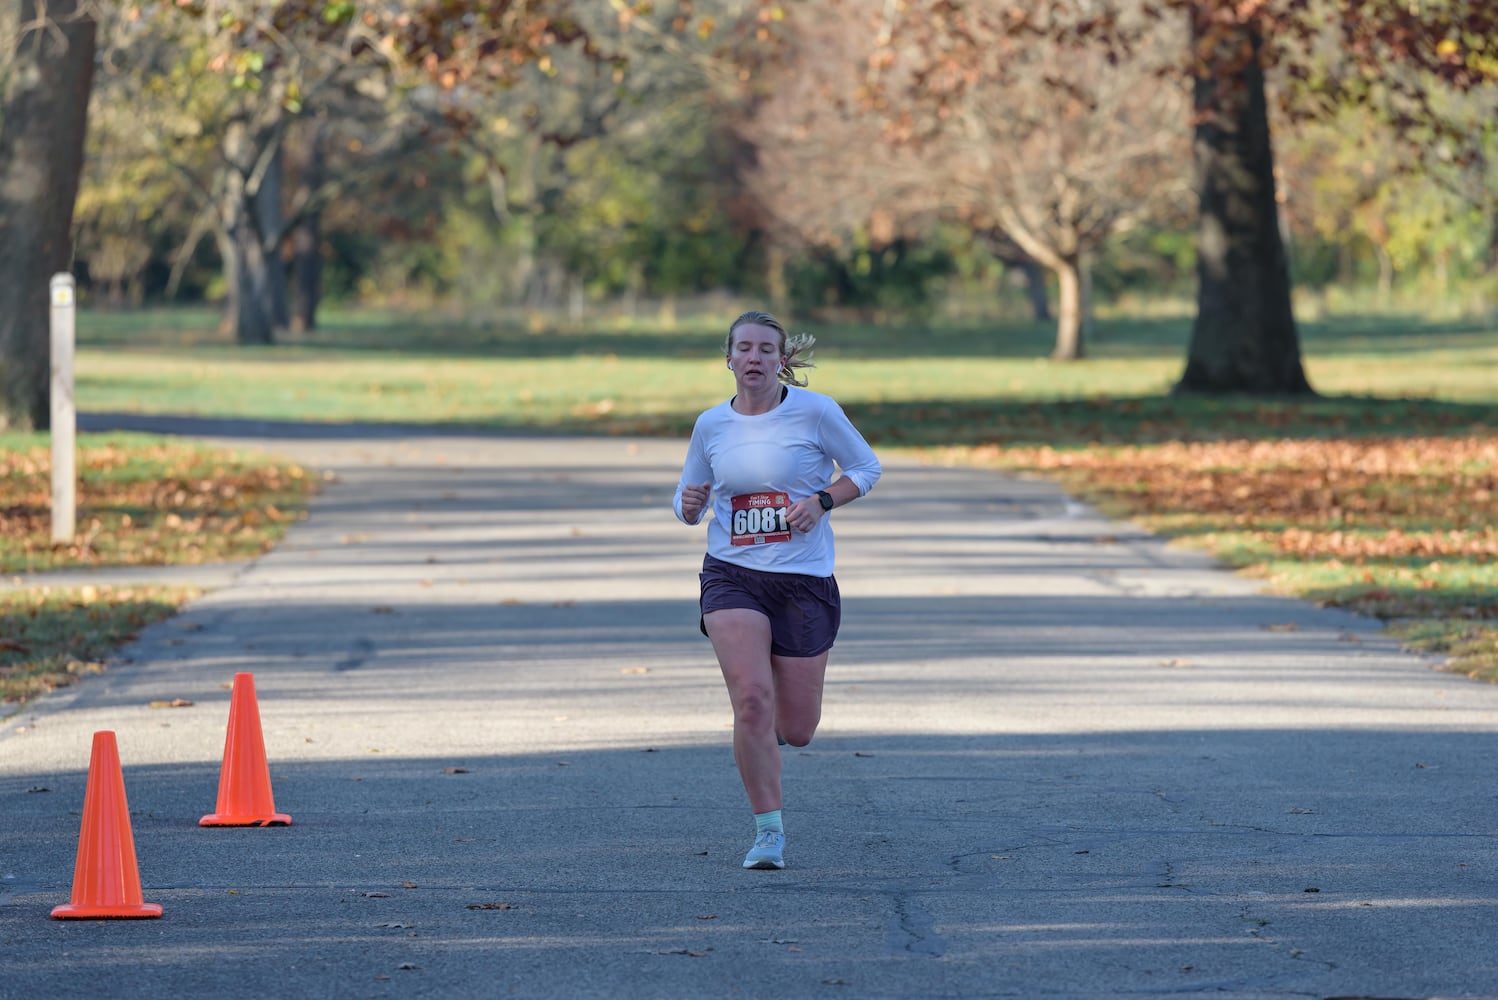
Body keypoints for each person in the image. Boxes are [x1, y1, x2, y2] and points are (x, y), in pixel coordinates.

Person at [673, 309, 881, 870]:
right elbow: (688, 494)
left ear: (782, 361)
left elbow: (865, 468)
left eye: (767, 349)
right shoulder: (711, 424)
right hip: (731, 575)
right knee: (751, 701)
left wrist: (822, 500)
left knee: (797, 728)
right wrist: (687, 506)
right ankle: (768, 832)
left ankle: (771, 740)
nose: (754, 358)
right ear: (729, 359)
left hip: (802, 580)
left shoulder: (816, 413)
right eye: (744, 348)